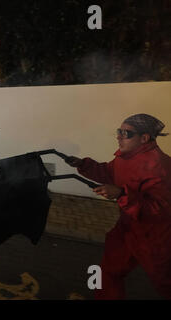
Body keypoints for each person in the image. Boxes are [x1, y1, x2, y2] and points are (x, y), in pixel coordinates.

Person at [66, 113, 171, 299]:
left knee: (165, 282)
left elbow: (159, 210)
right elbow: (108, 172)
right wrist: (83, 164)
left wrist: (121, 194)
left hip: (157, 238)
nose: (119, 136)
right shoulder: (126, 157)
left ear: (144, 138)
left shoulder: (159, 167)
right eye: (119, 131)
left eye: (126, 133)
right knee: (108, 272)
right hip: (128, 229)